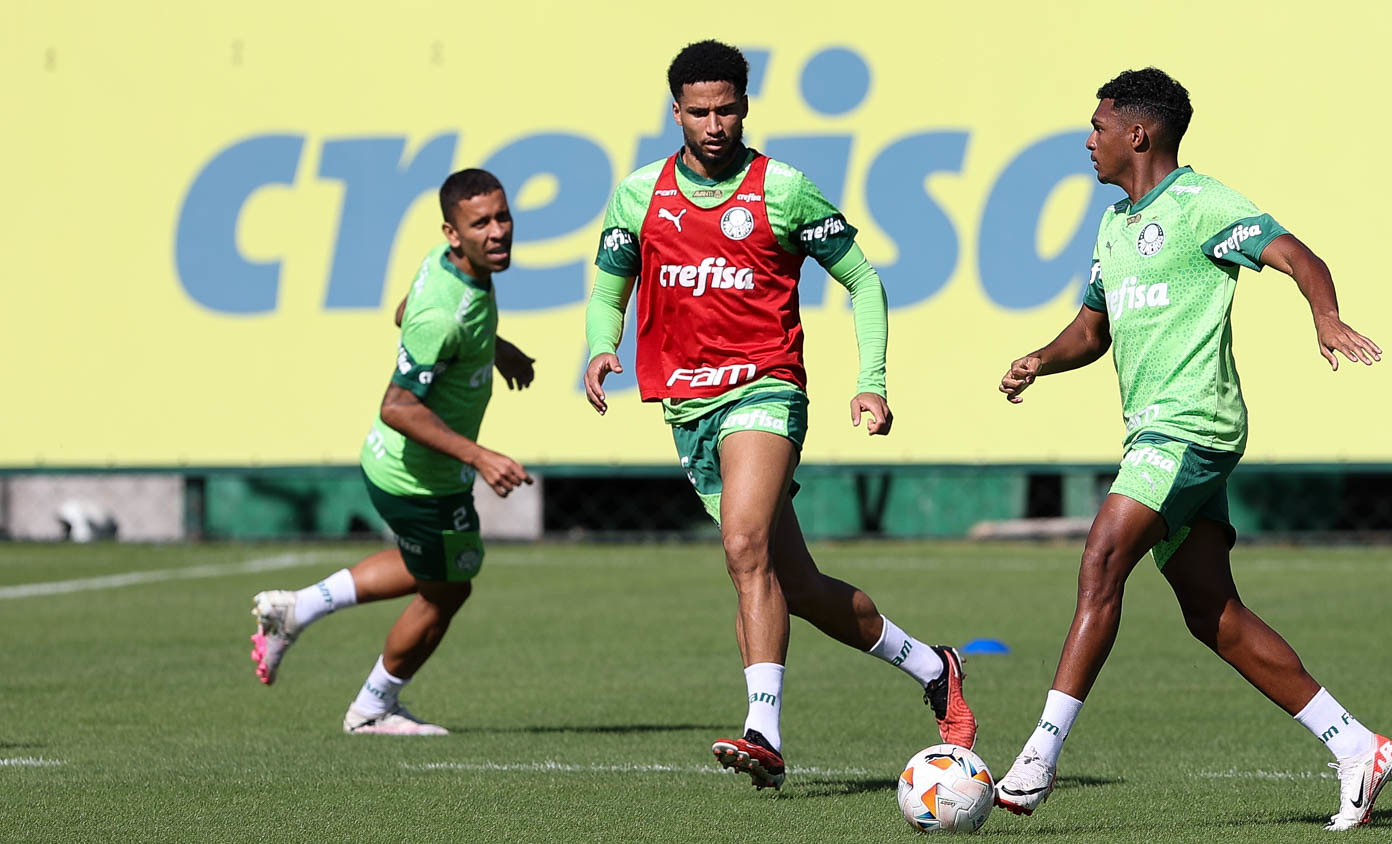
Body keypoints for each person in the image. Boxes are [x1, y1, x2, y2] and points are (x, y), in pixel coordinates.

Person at [993, 68, 1392, 831]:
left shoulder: (1200, 204)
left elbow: (1296, 254)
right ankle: (1356, 747)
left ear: (1137, 134)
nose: (1090, 139)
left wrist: (1326, 314)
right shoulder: (1115, 224)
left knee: (1102, 558)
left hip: (1192, 427)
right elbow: (1092, 329)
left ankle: (1038, 759)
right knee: (1212, 612)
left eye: (1099, 126)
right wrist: (1040, 360)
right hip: (1157, 432)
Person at [582, 39, 975, 790]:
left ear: (745, 106)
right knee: (787, 581)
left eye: (726, 108)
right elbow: (610, 288)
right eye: (698, 111)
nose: (714, 123)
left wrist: (872, 381)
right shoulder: (638, 195)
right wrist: (602, 347)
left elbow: (863, 281)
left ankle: (763, 728)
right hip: (687, 404)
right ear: (676, 113)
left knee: (743, 544)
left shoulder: (783, 188)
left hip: (766, 388)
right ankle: (935, 666)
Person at [249, 168, 534, 735]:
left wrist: (493, 349)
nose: (498, 231)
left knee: (429, 568)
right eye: (482, 223)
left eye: (502, 216)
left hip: (403, 471)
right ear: (453, 233)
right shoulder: (445, 311)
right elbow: (398, 406)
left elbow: (403, 311)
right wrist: (479, 456)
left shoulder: (449, 266)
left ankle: (296, 608)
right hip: (421, 479)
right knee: (448, 588)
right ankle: (372, 709)